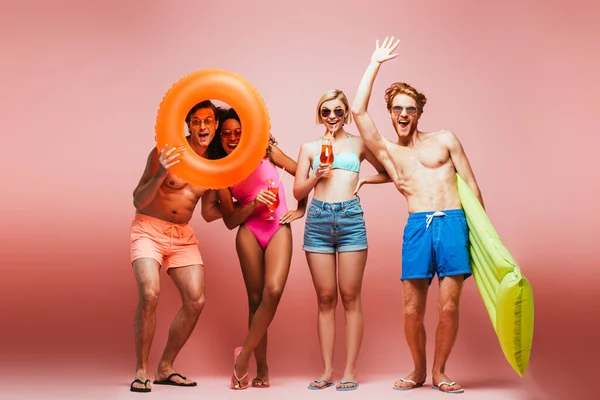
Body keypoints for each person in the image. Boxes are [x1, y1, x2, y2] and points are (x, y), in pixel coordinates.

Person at [351, 36, 485, 394]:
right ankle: (418, 369)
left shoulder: (445, 139)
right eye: (397, 108)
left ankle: (440, 372)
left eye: (410, 109)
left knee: (448, 309)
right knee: (411, 311)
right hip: (417, 227)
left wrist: (485, 241)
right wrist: (375, 63)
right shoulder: (389, 153)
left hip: (454, 224)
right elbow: (358, 113)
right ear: (391, 113)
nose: (404, 114)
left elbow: (472, 188)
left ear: (419, 113)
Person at [202, 107, 307, 390]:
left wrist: (301, 209)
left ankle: (243, 357)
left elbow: (302, 175)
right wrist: (254, 204)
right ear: (219, 139)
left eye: (238, 132)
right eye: (226, 134)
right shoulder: (221, 173)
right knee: (255, 299)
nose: (233, 138)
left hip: (277, 226)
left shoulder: (265, 151)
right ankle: (262, 368)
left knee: (273, 291)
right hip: (249, 230)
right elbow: (229, 221)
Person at [293, 89, 391, 391]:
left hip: (350, 219)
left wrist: (364, 179)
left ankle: (350, 371)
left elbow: (389, 172)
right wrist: (316, 177)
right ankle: (326, 371)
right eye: (326, 112)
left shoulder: (359, 144)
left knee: (350, 297)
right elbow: (298, 193)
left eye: (338, 111)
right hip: (319, 221)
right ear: (319, 115)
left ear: (346, 113)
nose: (332, 117)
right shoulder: (309, 147)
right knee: (325, 299)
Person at [129, 100, 221, 393]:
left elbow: (208, 213)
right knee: (150, 292)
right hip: (148, 229)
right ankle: (141, 370)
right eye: (196, 121)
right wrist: (159, 174)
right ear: (188, 125)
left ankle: (165, 367)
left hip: (182, 235)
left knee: (196, 299)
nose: (202, 127)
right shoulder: (165, 152)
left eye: (208, 121)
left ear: (215, 125)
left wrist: (249, 204)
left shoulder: (214, 166)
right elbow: (138, 200)